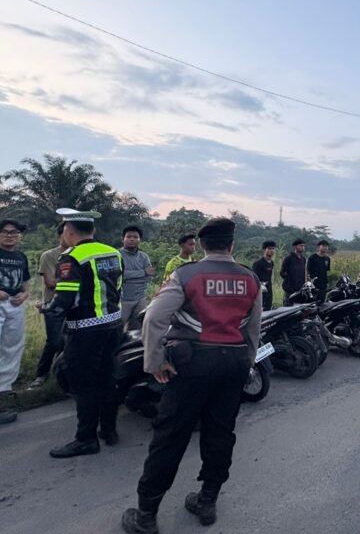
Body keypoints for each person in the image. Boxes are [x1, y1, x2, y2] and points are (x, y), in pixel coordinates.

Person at [121, 217, 262, 534]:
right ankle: (207, 501)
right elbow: (254, 328)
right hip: (234, 363)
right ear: (232, 245)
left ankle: (146, 516)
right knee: (220, 433)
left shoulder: (186, 274)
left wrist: (155, 362)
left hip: (193, 364)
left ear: (201, 244)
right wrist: (247, 363)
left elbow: (154, 319)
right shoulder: (250, 278)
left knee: (170, 436)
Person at [46, 209, 124, 456]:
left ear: (69, 230)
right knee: (107, 378)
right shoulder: (112, 252)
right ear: (93, 230)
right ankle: (109, 430)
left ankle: (86, 439)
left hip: (86, 329)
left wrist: (50, 309)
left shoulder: (71, 258)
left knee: (83, 385)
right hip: (113, 325)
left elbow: (65, 299)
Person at [28, 223, 67, 389]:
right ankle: (41, 375)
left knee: (68, 342)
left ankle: (60, 375)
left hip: (73, 304)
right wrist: (76, 281)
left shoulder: (79, 255)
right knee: (54, 341)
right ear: (60, 236)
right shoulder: (49, 255)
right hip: (53, 304)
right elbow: (50, 282)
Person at [0, 219, 31, 425]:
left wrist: (25, 294)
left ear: (20, 236)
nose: (10, 235)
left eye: (14, 232)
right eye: (5, 232)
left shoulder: (21, 257)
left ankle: (4, 391)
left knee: (12, 347)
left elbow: (25, 282)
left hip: (14, 304)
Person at [120, 225, 155, 329]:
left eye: (135, 237)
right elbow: (120, 275)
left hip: (140, 298)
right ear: (123, 239)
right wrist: (143, 273)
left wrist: (131, 275)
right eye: (128, 236)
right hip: (122, 299)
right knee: (118, 328)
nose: (132, 239)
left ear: (140, 240)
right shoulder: (117, 254)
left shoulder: (144, 256)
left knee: (138, 329)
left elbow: (150, 276)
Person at [280, 238, 306, 306]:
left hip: (300, 289)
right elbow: (282, 273)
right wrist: (289, 280)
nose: (302, 247)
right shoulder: (288, 258)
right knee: (287, 309)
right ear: (295, 247)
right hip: (289, 290)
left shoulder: (303, 259)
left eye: (303, 246)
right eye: (300, 245)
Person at [253, 240, 276, 311]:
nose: (271, 251)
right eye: (269, 248)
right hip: (260, 291)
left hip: (269, 290)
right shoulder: (258, 263)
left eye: (273, 249)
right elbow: (254, 279)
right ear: (264, 250)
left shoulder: (272, 263)